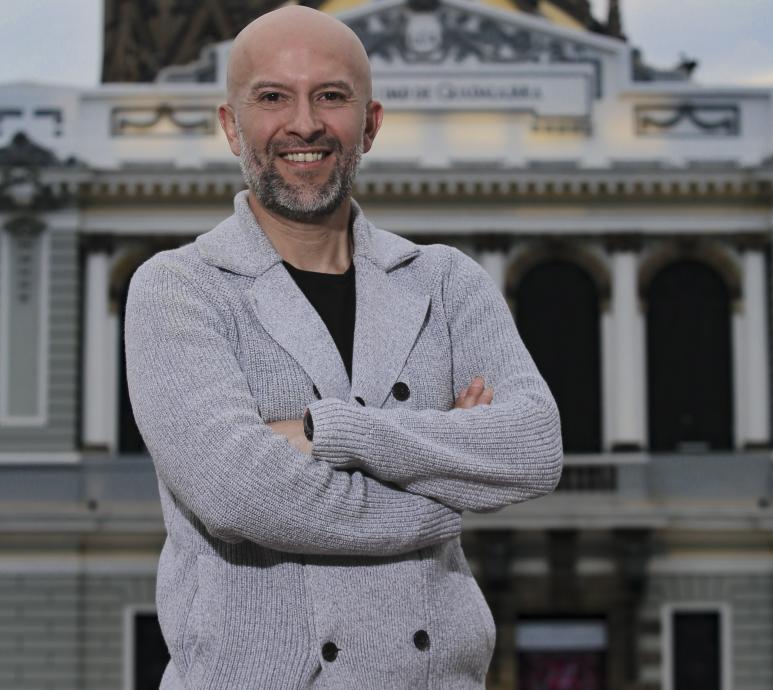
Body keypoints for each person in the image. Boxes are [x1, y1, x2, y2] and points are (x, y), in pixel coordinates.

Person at [124, 6, 563, 689]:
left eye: (331, 96)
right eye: (273, 97)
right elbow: (242, 496)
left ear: (371, 123)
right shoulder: (178, 289)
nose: (304, 124)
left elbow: (534, 448)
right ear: (231, 126)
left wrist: (319, 430)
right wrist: (455, 474)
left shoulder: (446, 281)